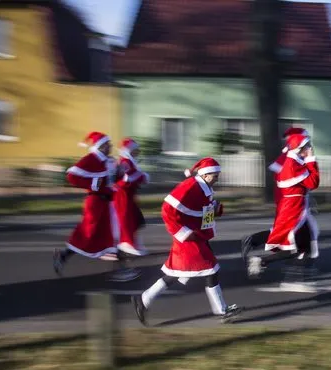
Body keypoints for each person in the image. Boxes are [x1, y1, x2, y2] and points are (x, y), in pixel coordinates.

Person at [131, 157, 242, 325]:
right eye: (215, 175)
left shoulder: (204, 187)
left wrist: (215, 209)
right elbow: (167, 209)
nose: (217, 178)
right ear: (205, 175)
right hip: (189, 240)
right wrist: (183, 233)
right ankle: (221, 311)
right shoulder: (190, 186)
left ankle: (144, 299)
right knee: (211, 270)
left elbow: (203, 210)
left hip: (197, 237)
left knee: (174, 274)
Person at [53, 132, 139, 281]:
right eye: (108, 144)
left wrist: (120, 173)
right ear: (101, 146)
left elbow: (111, 180)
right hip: (95, 203)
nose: (111, 146)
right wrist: (93, 184)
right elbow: (71, 176)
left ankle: (120, 269)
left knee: (112, 236)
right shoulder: (91, 159)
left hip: (108, 204)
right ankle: (63, 256)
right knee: (88, 234)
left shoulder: (108, 160)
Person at [246, 133, 320, 290]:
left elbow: (307, 186)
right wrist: (311, 159)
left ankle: (298, 277)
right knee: (294, 247)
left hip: (298, 208)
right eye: (307, 146)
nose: (310, 148)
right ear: (299, 148)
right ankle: (264, 262)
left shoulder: (294, 161)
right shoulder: (293, 164)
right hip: (294, 210)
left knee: (304, 246)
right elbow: (313, 182)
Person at [240, 127, 314, 261]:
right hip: (290, 202)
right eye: (306, 142)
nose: (309, 146)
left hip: (294, 201)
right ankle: (256, 248)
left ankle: (304, 262)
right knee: (286, 233)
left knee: (298, 235)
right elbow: (309, 181)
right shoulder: (289, 158)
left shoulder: (292, 155)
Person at [112, 138, 150, 279]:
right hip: (122, 199)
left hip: (129, 198)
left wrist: (140, 177)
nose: (138, 152)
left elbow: (131, 178)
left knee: (137, 222)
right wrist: (141, 177)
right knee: (125, 225)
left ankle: (133, 246)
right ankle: (123, 258)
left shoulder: (128, 161)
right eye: (136, 150)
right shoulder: (124, 162)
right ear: (129, 150)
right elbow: (123, 180)